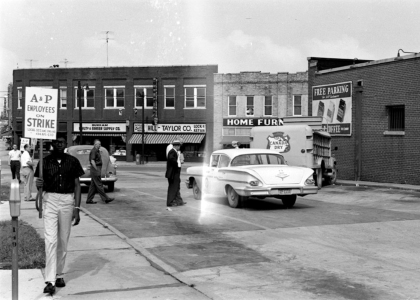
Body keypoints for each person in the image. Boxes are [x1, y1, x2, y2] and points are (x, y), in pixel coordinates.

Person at [34, 135, 85, 295]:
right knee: (51, 240)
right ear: (52, 144)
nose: (58, 144)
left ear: (65, 144)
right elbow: (39, 184)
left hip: (67, 201)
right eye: (56, 142)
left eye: (61, 142)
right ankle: (49, 280)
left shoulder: (72, 161)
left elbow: (77, 185)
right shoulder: (44, 162)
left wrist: (77, 207)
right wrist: (38, 185)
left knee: (63, 240)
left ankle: (59, 274)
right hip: (50, 200)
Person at [86, 139, 114, 204]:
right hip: (96, 169)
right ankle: (106, 198)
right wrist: (96, 169)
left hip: (96, 169)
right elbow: (92, 161)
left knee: (93, 186)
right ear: (95, 144)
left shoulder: (97, 150)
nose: (100, 145)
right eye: (99, 144)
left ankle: (89, 200)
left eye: (100, 144)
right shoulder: (94, 151)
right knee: (99, 185)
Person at [165, 140, 186, 207]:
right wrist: (176, 164)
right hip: (173, 173)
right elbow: (171, 159)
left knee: (176, 187)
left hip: (175, 172)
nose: (179, 147)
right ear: (176, 146)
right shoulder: (172, 151)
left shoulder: (175, 152)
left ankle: (178, 201)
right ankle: (170, 202)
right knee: (172, 188)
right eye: (179, 146)